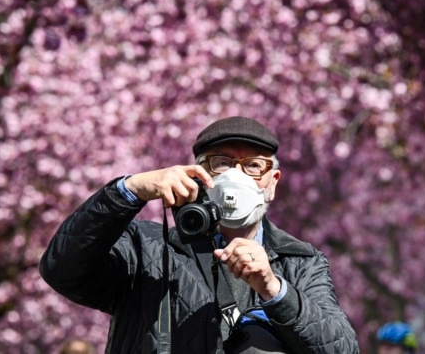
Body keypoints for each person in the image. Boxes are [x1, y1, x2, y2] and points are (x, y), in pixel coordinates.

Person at [40, 116, 359, 353]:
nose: (236, 175)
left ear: (272, 182)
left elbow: (341, 348)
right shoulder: (146, 248)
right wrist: (130, 190)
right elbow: (62, 269)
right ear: (198, 174)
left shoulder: (300, 263)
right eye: (221, 163)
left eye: (252, 166)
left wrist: (274, 290)